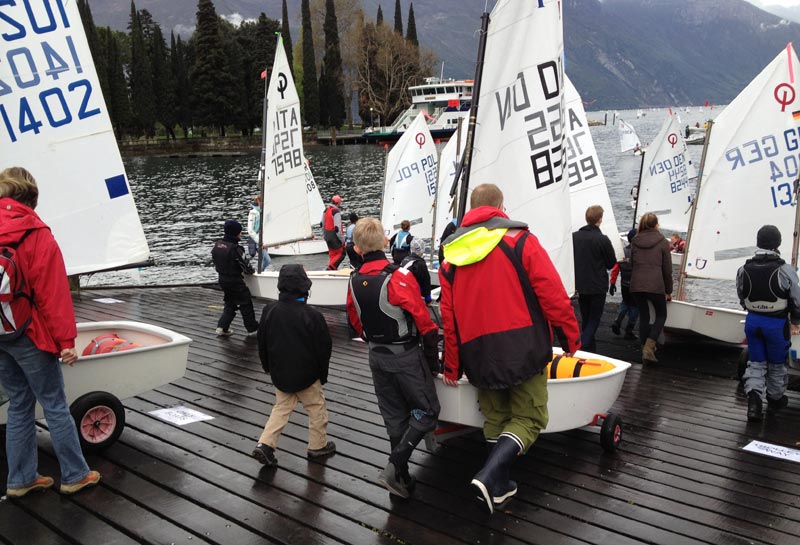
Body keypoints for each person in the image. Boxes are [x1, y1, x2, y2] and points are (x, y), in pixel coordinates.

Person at [438, 184, 581, 514]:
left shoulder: (452, 257)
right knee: (530, 418)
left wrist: (452, 366)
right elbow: (553, 295)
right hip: (523, 346)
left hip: (477, 352)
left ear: (470, 211)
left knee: (496, 417)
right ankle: (490, 476)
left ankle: (499, 484)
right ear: (501, 206)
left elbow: (449, 317)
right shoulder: (520, 241)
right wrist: (571, 338)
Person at [0, 166, 100, 497]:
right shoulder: (36, 233)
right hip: (29, 334)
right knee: (55, 405)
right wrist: (65, 342)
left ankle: (21, 479)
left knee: (18, 404)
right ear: (31, 197)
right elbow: (53, 294)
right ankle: (74, 474)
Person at [346, 217, 440, 499]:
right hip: (405, 356)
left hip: (376, 356)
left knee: (394, 416)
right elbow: (425, 322)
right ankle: (394, 464)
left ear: (358, 249)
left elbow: (355, 320)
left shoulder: (353, 279)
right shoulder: (398, 277)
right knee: (427, 411)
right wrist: (432, 360)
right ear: (385, 242)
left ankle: (401, 478)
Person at [251, 264, 336, 465]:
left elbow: (261, 341)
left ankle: (265, 444)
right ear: (305, 288)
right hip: (307, 375)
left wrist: (267, 366)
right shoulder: (313, 316)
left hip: (280, 373)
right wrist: (322, 375)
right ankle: (317, 446)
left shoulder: (269, 310)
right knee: (317, 409)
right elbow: (324, 349)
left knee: (281, 408)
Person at [736, 225, 800, 421]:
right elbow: (797, 299)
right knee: (777, 363)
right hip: (776, 325)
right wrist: (796, 319)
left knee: (755, 362)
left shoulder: (743, 269)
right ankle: (775, 398)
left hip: (753, 322)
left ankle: (754, 403)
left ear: (758, 242)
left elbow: (741, 295)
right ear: (778, 243)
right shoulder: (784, 269)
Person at [572, 205, 617, 353]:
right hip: (597, 285)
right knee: (594, 319)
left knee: (586, 318)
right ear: (600, 219)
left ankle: (590, 350)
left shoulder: (574, 237)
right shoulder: (602, 239)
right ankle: (582, 346)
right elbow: (611, 263)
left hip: (581, 284)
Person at [630, 212, 672, 364]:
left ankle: (645, 349)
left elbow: (632, 264)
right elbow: (667, 269)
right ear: (656, 225)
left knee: (644, 316)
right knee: (661, 315)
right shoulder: (662, 242)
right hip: (655, 285)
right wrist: (668, 290)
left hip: (637, 284)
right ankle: (649, 347)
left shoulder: (635, 240)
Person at [211, 219, 259, 337]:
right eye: (240, 232)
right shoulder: (235, 249)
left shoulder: (217, 245)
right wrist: (251, 272)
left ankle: (222, 327)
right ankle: (252, 329)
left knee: (230, 302)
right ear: (236, 233)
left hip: (222, 279)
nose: (241, 234)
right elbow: (246, 266)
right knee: (245, 302)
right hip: (234, 280)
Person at [609, 228, 640, 340]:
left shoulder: (622, 252)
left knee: (625, 303)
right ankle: (629, 331)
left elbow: (616, 269)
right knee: (635, 308)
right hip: (636, 286)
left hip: (624, 285)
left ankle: (617, 321)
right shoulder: (640, 253)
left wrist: (612, 283)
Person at [400, 238, 432, 304]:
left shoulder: (405, 259)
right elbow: (426, 281)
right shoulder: (420, 263)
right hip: (413, 294)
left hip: (401, 291)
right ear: (422, 249)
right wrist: (427, 297)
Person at [246, 195, 270, 271]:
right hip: (257, 240)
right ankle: (259, 272)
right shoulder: (253, 212)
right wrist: (259, 241)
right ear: (259, 201)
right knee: (267, 260)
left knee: (263, 260)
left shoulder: (264, 211)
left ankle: (260, 272)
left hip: (264, 239)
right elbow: (250, 230)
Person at [322, 195, 345, 270]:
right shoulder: (336, 211)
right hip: (334, 236)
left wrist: (324, 236)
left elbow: (322, 224)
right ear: (338, 203)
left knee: (332, 254)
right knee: (342, 253)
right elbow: (337, 228)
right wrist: (342, 240)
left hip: (327, 235)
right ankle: (330, 268)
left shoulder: (326, 210)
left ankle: (331, 270)